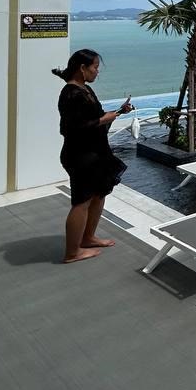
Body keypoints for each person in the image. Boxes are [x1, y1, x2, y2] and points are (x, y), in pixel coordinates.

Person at [52, 49, 133, 263]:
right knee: (81, 201)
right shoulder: (71, 94)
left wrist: (120, 112)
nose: (97, 71)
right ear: (82, 68)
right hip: (81, 155)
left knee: (98, 194)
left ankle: (87, 238)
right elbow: (70, 128)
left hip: (96, 152)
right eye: (95, 67)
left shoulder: (85, 89)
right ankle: (72, 252)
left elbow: (96, 117)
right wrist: (102, 120)